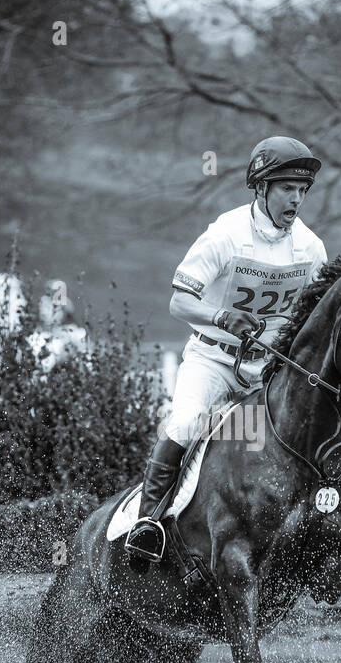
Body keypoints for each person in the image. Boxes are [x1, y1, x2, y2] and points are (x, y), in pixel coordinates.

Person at [124, 137, 328, 568]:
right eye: (288, 188)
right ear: (261, 187)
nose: (297, 198)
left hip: (266, 371)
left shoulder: (310, 249)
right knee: (187, 421)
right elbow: (178, 301)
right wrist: (221, 317)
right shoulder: (225, 234)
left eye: (302, 190)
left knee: (299, 433)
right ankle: (149, 524)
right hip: (213, 361)